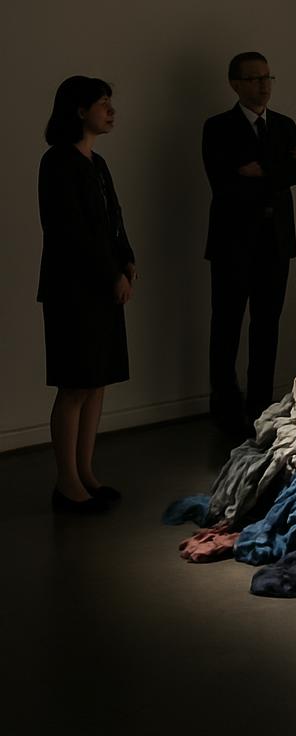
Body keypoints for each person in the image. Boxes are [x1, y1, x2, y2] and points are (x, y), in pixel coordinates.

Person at [39, 76, 136, 514]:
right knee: (75, 384)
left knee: (96, 382)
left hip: (102, 285)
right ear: (79, 111)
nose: (110, 111)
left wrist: (127, 260)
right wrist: (111, 273)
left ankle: (86, 473)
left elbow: (113, 220)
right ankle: (67, 483)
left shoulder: (97, 164)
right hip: (73, 289)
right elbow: (71, 233)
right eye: (102, 103)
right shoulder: (57, 162)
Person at [203, 52, 296, 435]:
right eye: (253, 79)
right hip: (232, 243)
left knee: (267, 325)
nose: (263, 85)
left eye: (267, 77)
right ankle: (225, 406)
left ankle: (260, 405)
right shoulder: (217, 128)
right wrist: (279, 168)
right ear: (235, 84)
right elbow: (224, 182)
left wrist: (259, 169)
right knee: (227, 325)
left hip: (276, 242)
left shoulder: (284, 125)